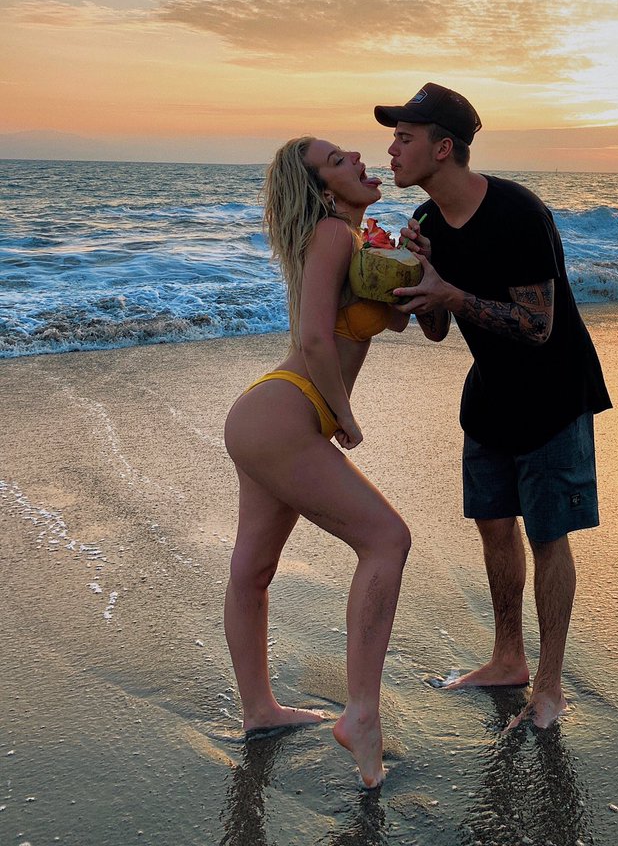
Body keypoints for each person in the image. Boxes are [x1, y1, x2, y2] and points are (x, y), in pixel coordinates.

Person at [373, 83, 612, 730]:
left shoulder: (517, 212)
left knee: (548, 536)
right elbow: (437, 328)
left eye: (404, 138)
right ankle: (508, 658)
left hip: (555, 393)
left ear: (442, 148)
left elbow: (537, 325)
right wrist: (414, 280)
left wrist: (449, 294)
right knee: (493, 525)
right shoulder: (424, 223)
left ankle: (550, 685)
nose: (391, 150)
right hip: (490, 396)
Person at [223, 136, 411, 788]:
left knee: (252, 572)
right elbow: (311, 336)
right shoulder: (332, 234)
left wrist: (410, 266)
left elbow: (401, 322)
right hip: (288, 413)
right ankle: (361, 713)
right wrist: (344, 416)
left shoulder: (354, 244)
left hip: (270, 417)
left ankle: (260, 712)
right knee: (387, 539)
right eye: (337, 161)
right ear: (324, 192)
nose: (356, 157)